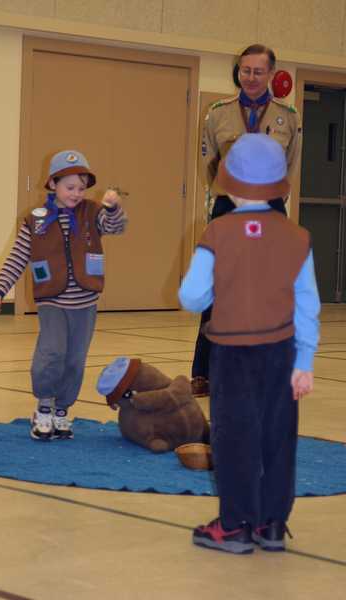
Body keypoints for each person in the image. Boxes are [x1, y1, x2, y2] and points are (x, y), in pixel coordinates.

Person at [179, 133, 320, 555]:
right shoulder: (298, 237)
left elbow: (191, 297)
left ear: (229, 183)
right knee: (278, 435)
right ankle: (271, 524)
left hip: (232, 354)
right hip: (283, 352)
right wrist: (305, 360)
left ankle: (236, 525)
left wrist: (220, 289)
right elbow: (308, 305)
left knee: (234, 436)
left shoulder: (217, 232)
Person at [0, 150, 127, 441]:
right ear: (53, 184)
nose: (76, 194)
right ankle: (44, 406)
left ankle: (62, 409)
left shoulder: (92, 213)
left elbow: (116, 227)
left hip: (85, 303)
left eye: (81, 188)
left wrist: (113, 207)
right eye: (70, 187)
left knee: (75, 359)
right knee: (51, 353)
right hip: (51, 301)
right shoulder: (35, 221)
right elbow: (17, 257)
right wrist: (0, 288)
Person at [191, 43, 302, 398]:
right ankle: (204, 371)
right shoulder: (217, 114)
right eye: (245, 71)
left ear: (271, 74)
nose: (250, 77)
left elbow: (291, 163)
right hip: (228, 204)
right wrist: (230, 194)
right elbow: (209, 162)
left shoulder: (288, 117)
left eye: (257, 71)